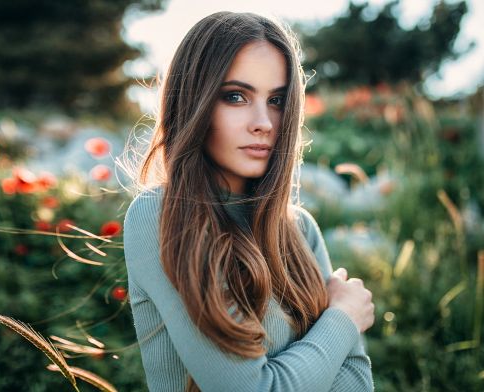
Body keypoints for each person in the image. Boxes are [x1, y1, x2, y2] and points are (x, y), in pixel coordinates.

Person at [120, 11, 375, 392]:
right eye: (236, 96)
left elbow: (355, 385)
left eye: (276, 99)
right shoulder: (161, 215)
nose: (265, 122)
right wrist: (343, 317)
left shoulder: (300, 229)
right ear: (195, 103)